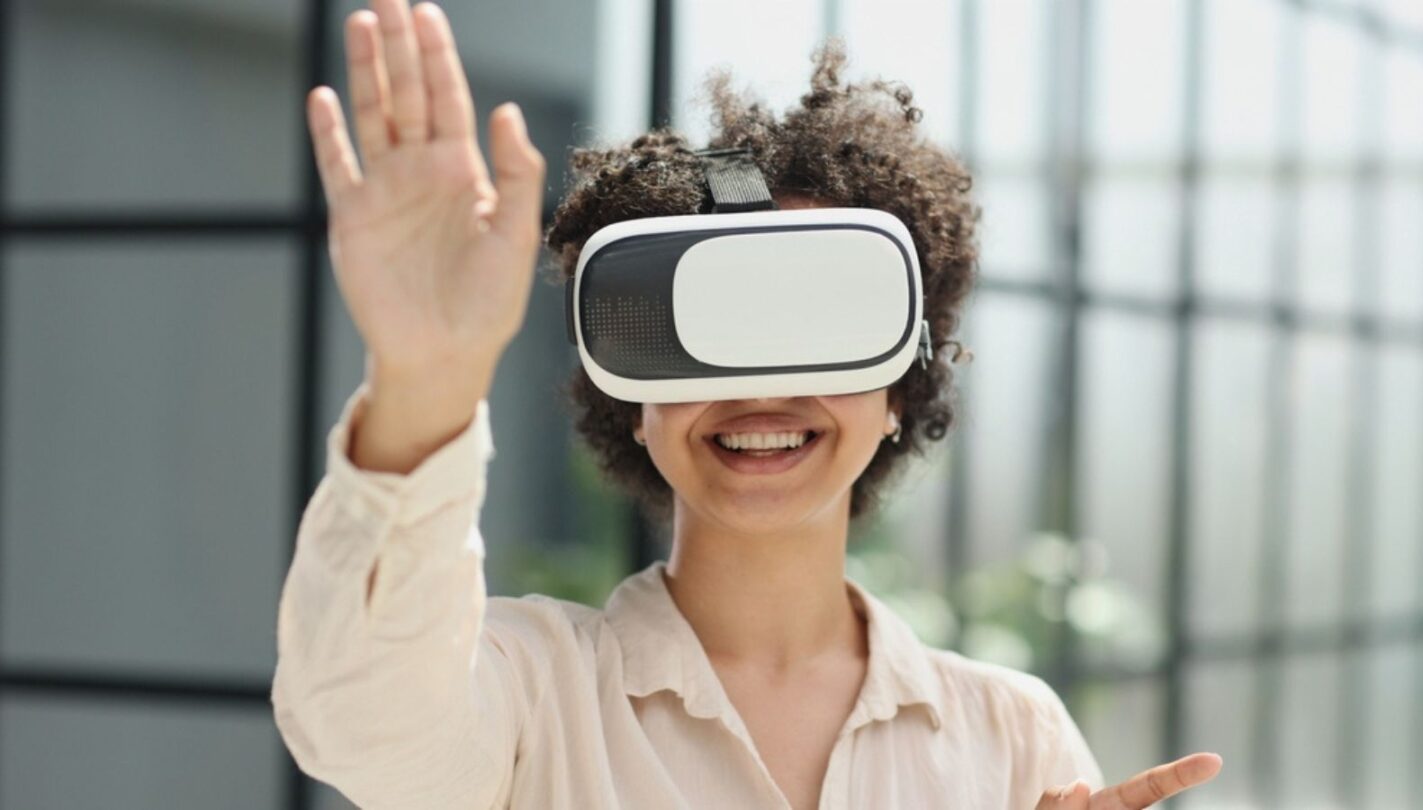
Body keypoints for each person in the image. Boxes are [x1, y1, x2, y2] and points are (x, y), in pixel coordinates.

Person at [270, 1, 1224, 807]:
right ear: (633, 399)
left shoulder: (1011, 738)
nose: (759, 388)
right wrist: (425, 377)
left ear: (903, 381)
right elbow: (362, 724)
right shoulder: (530, 693)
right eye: (704, 333)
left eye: (819, 319)